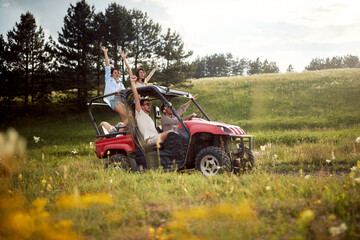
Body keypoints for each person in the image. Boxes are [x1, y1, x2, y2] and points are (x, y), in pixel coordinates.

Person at [130, 75, 171, 148]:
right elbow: (136, 98)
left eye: (150, 104)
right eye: (147, 104)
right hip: (149, 140)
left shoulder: (148, 118)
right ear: (142, 107)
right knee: (170, 133)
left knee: (173, 133)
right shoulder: (140, 114)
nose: (150, 105)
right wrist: (133, 83)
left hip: (154, 137)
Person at [101, 46, 131, 127]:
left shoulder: (121, 84)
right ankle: (121, 129)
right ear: (111, 74)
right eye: (115, 73)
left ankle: (121, 128)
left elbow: (125, 93)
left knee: (127, 121)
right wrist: (105, 52)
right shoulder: (109, 79)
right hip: (114, 99)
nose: (117, 74)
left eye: (118, 73)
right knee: (131, 116)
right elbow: (107, 66)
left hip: (122, 100)